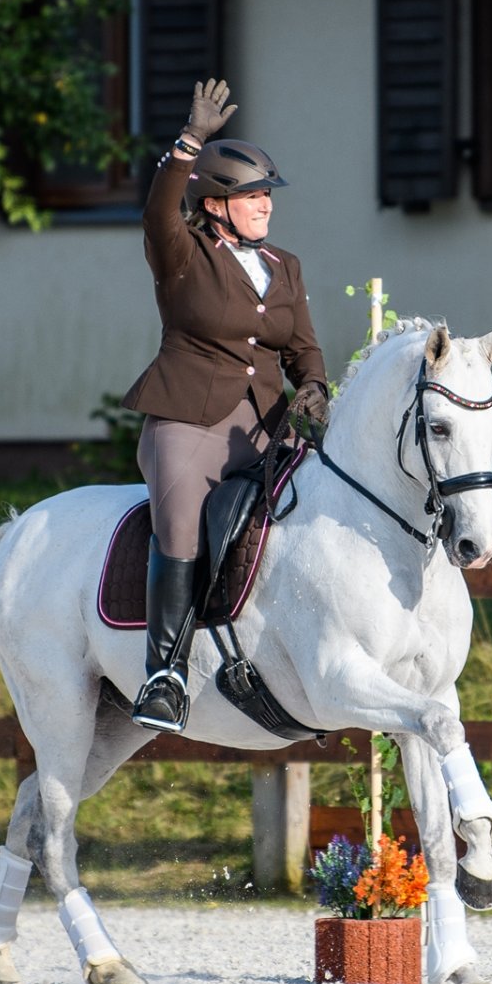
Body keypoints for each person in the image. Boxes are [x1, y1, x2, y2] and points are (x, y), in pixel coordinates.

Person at [121, 78, 330, 733]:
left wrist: (316, 390)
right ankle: (166, 674)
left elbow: (302, 348)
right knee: (181, 524)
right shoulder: (181, 255)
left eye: (267, 193)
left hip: (268, 428)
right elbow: (159, 210)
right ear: (214, 205)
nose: (265, 204)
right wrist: (188, 144)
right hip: (190, 421)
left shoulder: (285, 266)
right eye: (251, 195)